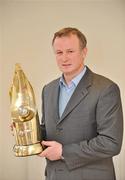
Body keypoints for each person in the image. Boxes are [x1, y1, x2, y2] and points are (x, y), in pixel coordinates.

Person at [39, 27, 123, 180]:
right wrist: (26, 131)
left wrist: (64, 152)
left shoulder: (105, 89)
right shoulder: (48, 90)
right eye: (59, 52)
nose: (64, 58)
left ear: (84, 52)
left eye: (70, 51)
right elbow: (48, 131)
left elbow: (111, 142)